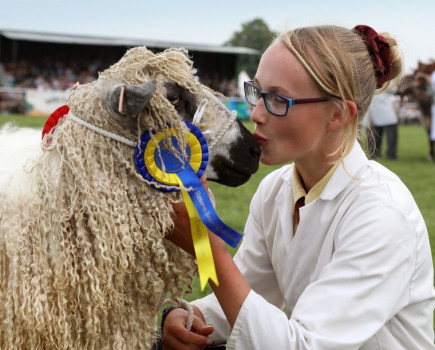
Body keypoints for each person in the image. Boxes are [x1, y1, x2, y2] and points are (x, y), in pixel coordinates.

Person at [162, 24, 435, 350]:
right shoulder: (274, 191)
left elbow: (301, 346)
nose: (256, 113)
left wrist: (207, 248)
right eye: (257, 91)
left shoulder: (382, 215)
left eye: (277, 99)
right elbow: (247, 295)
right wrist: (187, 317)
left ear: (337, 114)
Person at [365, 91, 399, 159]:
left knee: (377, 136)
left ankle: (377, 153)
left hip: (382, 113)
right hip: (383, 114)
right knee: (383, 136)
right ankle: (389, 154)